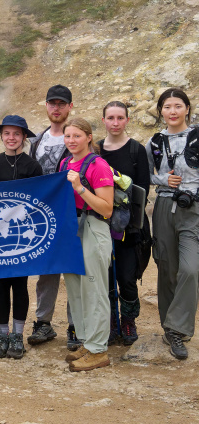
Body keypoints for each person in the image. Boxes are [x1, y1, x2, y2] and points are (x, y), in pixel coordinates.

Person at [146, 87, 199, 360]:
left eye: (178, 106)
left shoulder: (197, 136)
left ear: (187, 109)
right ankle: (172, 331)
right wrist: (163, 180)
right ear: (161, 111)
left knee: (190, 269)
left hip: (194, 209)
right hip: (164, 205)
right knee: (167, 267)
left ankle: (177, 325)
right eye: (167, 107)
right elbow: (145, 175)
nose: (173, 111)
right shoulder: (154, 141)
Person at [61, 117, 114, 372]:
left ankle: (99, 349)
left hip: (93, 226)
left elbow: (106, 208)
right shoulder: (65, 162)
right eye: (68, 136)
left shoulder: (98, 165)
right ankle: (88, 341)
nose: (71, 141)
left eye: (77, 136)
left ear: (89, 137)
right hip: (73, 230)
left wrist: (80, 188)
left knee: (94, 287)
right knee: (76, 287)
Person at [0, 116, 42, 360]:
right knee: (0, 285)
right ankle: (2, 334)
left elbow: (41, 199)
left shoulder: (32, 166)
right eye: (7, 133)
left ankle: (17, 335)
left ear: (24, 137)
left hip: (22, 234)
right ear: (1, 136)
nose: (11, 138)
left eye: (16, 134)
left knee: (20, 285)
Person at [27, 84, 76, 349]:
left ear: (70, 107)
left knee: (72, 268)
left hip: (71, 213)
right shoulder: (36, 141)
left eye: (61, 104)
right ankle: (43, 322)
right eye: (52, 103)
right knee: (46, 271)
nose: (56, 108)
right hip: (43, 215)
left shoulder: (77, 137)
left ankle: (75, 324)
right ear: (46, 106)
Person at [99, 101, 151, 346]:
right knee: (106, 278)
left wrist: (132, 225)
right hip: (101, 225)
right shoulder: (96, 150)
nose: (116, 123)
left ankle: (129, 320)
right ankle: (111, 321)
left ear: (127, 120)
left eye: (120, 118)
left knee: (127, 278)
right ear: (104, 121)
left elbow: (142, 190)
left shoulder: (135, 150)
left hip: (130, 227)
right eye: (111, 118)